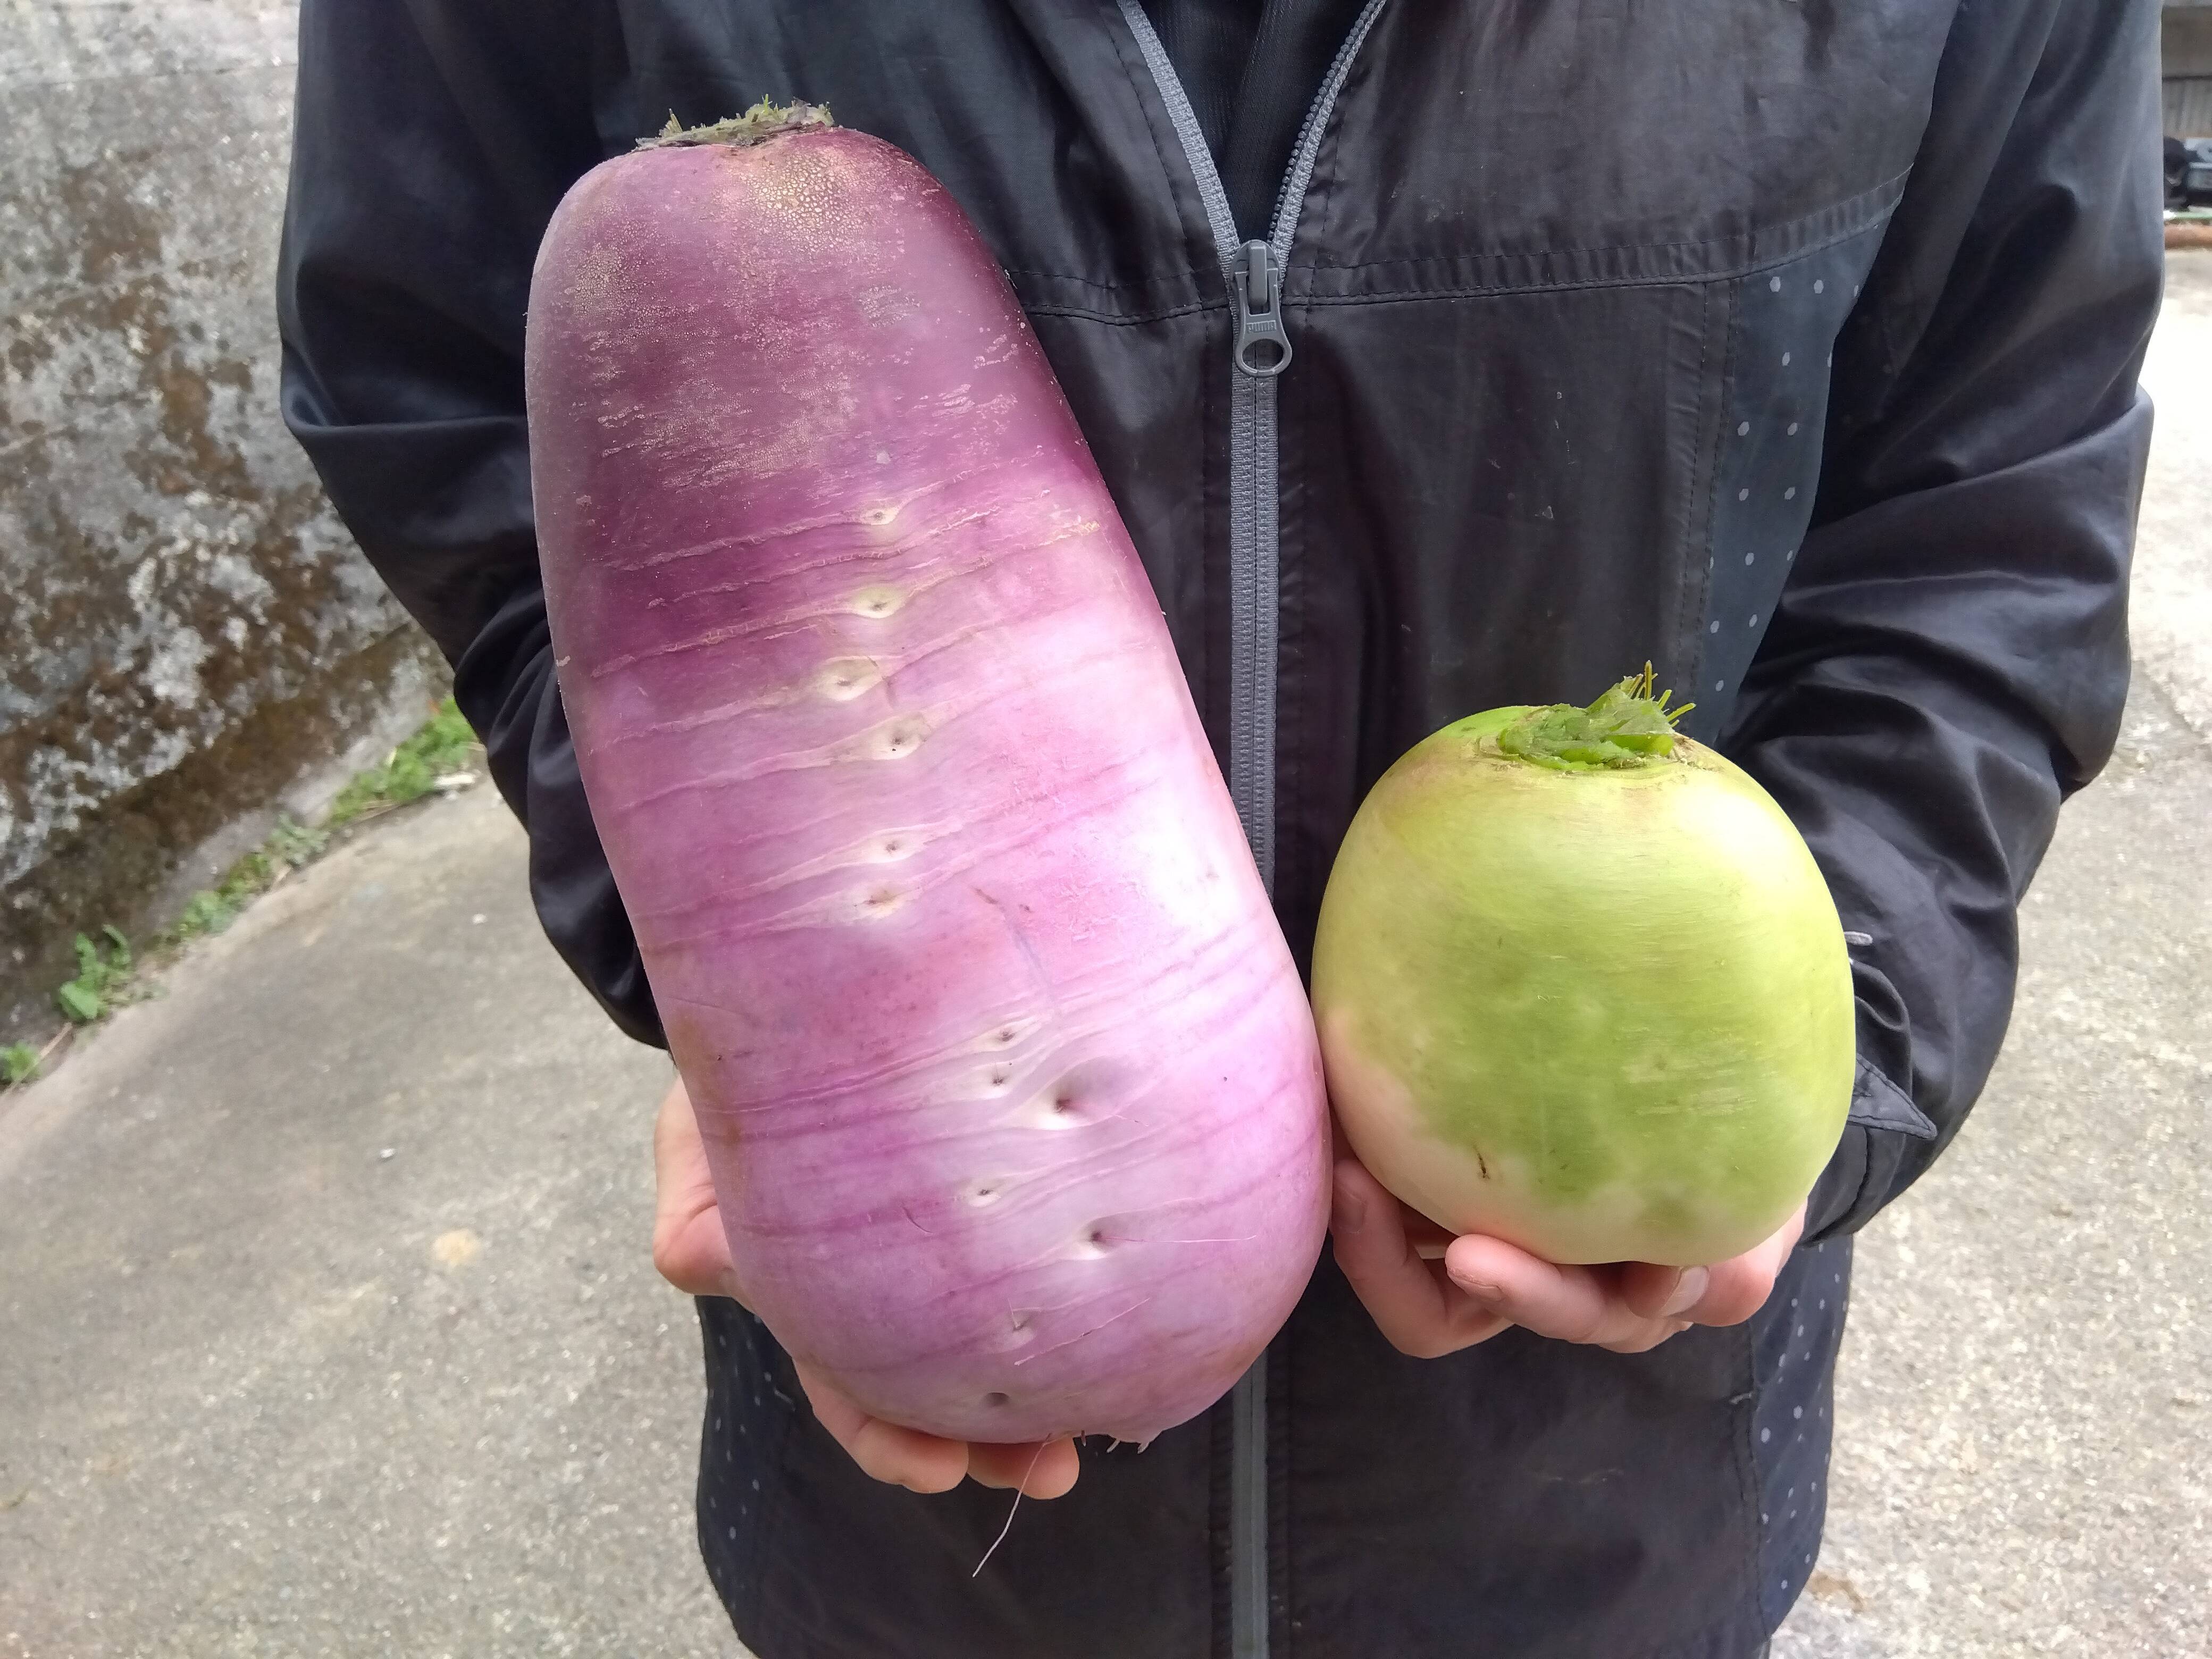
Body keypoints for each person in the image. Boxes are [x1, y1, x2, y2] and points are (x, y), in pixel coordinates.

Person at [276, 2, 2161, 1654]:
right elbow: (446, 406)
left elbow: (1989, 524)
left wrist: (1824, 1065)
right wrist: (739, 972)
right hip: (938, 1473)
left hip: (1590, 1503)